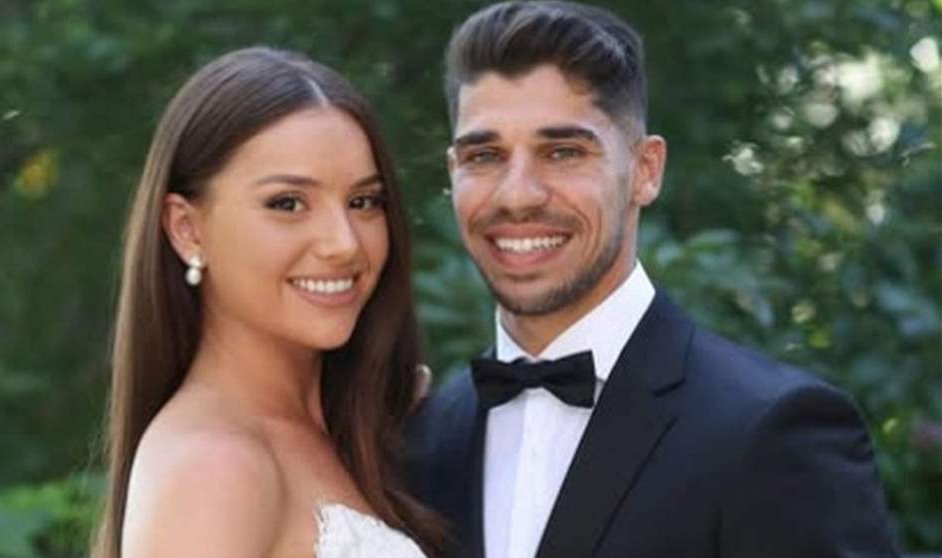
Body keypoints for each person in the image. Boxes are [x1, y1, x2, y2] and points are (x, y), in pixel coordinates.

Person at [407, 2, 899, 557]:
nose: (517, 195)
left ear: (646, 170)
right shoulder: (418, 442)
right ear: (453, 172)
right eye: (484, 156)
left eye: (563, 152)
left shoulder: (774, 431)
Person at [90, 47, 442, 558]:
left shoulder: (359, 430)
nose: (344, 243)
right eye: (288, 204)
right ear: (187, 229)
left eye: (363, 201)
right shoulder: (212, 465)